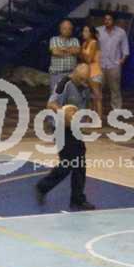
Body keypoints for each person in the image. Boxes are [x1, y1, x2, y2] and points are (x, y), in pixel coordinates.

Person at [35, 63, 95, 210]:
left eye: (85, 79)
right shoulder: (64, 84)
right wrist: (63, 111)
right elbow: (51, 103)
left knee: (80, 164)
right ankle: (42, 186)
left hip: (75, 129)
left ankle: (77, 199)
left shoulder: (85, 86)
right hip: (61, 129)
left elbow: (86, 103)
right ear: (74, 74)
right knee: (68, 164)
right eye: (81, 79)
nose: (83, 82)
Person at [96, 13, 129, 111]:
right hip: (100, 65)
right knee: (97, 88)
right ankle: (97, 108)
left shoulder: (121, 32)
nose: (107, 21)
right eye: (105, 19)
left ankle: (116, 110)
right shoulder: (98, 31)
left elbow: (125, 48)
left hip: (114, 65)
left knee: (115, 89)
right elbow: (94, 45)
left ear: (114, 21)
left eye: (109, 19)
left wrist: (122, 60)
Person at [48, 19, 80, 98]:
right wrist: (70, 51)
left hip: (71, 75)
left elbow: (76, 51)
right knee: (56, 98)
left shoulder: (75, 40)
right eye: (65, 28)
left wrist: (62, 49)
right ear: (60, 29)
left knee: (72, 98)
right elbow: (55, 52)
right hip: (57, 74)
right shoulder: (54, 39)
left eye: (70, 29)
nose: (67, 31)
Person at [80, 25, 102, 119]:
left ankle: (99, 119)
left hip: (95, 72)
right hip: (87, 72)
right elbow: (81, 58)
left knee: (97, 97)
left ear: (91, 33)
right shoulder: (84, 43)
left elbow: (89, 59)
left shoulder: (94, 43)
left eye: (86, 31)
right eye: (83, 31)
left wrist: (82, 53)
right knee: (89, 98)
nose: (84, 33)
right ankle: (90, 119)